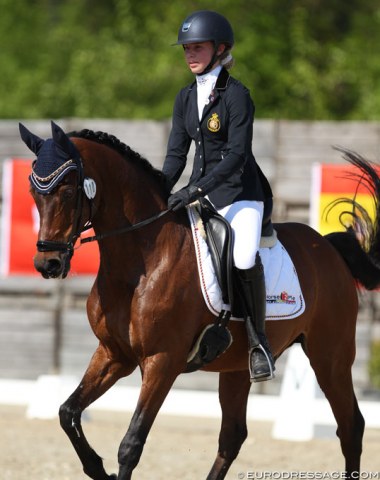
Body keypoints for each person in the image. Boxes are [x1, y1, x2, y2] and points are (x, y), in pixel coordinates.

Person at [162, 10, 275, 382]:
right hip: (204, 195)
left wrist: (193, 190)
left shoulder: (237, 96)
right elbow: (177, 155)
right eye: (187, 48)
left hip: (240, 195)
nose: (190, 54)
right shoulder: (184, 98)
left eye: (198, 47)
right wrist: (159, 192)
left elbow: (238, 157)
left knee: (242, 258)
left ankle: (259, 345)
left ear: (220, 48)